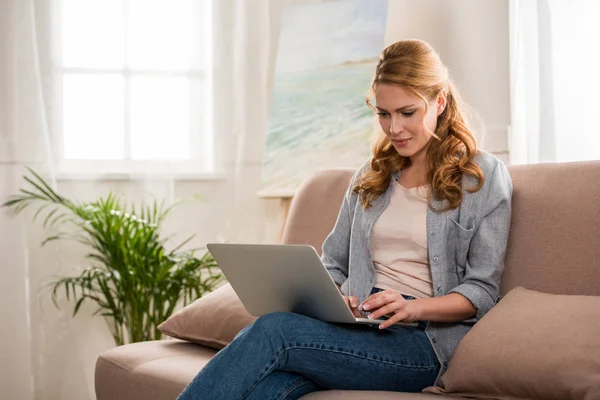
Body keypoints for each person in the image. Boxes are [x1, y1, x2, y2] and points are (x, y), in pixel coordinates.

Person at [177, 39, 512, 400]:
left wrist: (411, 307)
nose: (394, 127)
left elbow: (482, 291)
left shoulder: (481, 176)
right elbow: (334, 264)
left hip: (421, 342)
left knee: (275, 331)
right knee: (267, 388)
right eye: (383, 113)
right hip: (357, 327)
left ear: (440, 103)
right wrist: (339, 298)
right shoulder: (372, 175)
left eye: (407, 112)